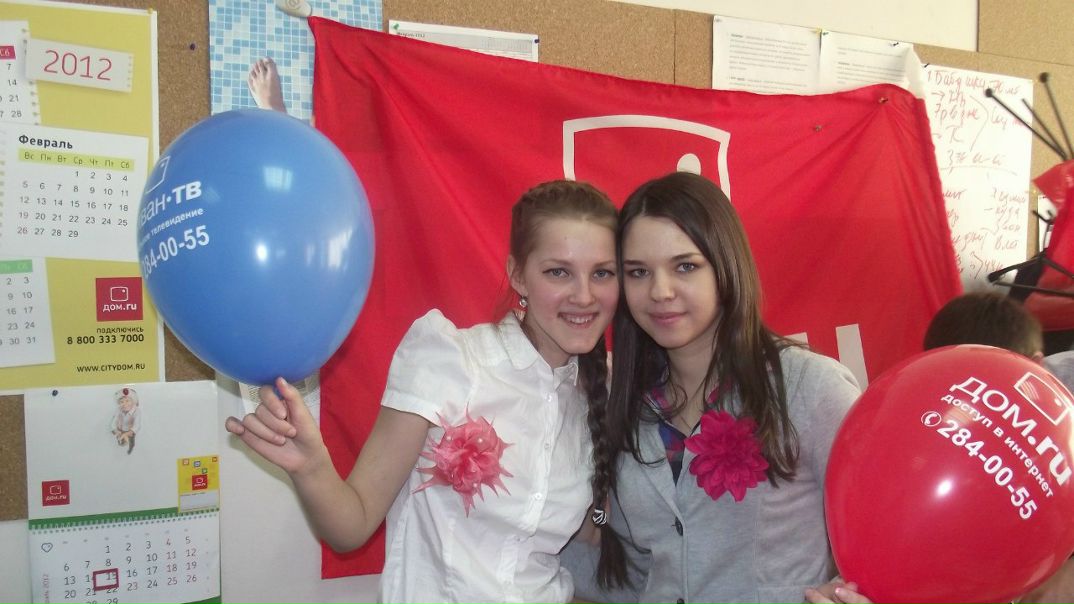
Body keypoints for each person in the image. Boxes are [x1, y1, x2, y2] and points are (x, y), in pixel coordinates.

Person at [226, 179, 619, 604]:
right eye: (559, 272)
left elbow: (584, 535)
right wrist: (311, 466)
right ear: (518, 275)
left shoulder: (600, 392)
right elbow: (352, 524)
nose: (584, 295)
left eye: (602, 273)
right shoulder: (450, 358)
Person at [562, 171, 869, 604]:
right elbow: (638, 574)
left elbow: (884, 533)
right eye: (638, 272)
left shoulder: (811, 387)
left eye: (685, 266)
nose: (660, 291)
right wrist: (512, 540)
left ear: (725, 266)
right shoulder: (625, 404)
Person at [922, 291, 1074, 604]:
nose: (974, 407)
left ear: (1036, 366)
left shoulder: (1061, 410)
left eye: (990, 393)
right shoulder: (933, 404)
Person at [111, 387, 141, 454]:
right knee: (120, 443)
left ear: (133, 401)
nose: (124, 404)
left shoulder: (137, 411)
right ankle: (119, 452)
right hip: (120, 430)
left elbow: (137, 425)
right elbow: (114, 421)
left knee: (131, 443)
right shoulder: (119, 409)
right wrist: (116, 431)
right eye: (121, 402)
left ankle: (130, 450)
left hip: (130, 431)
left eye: (127, 401)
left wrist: (127, 433)